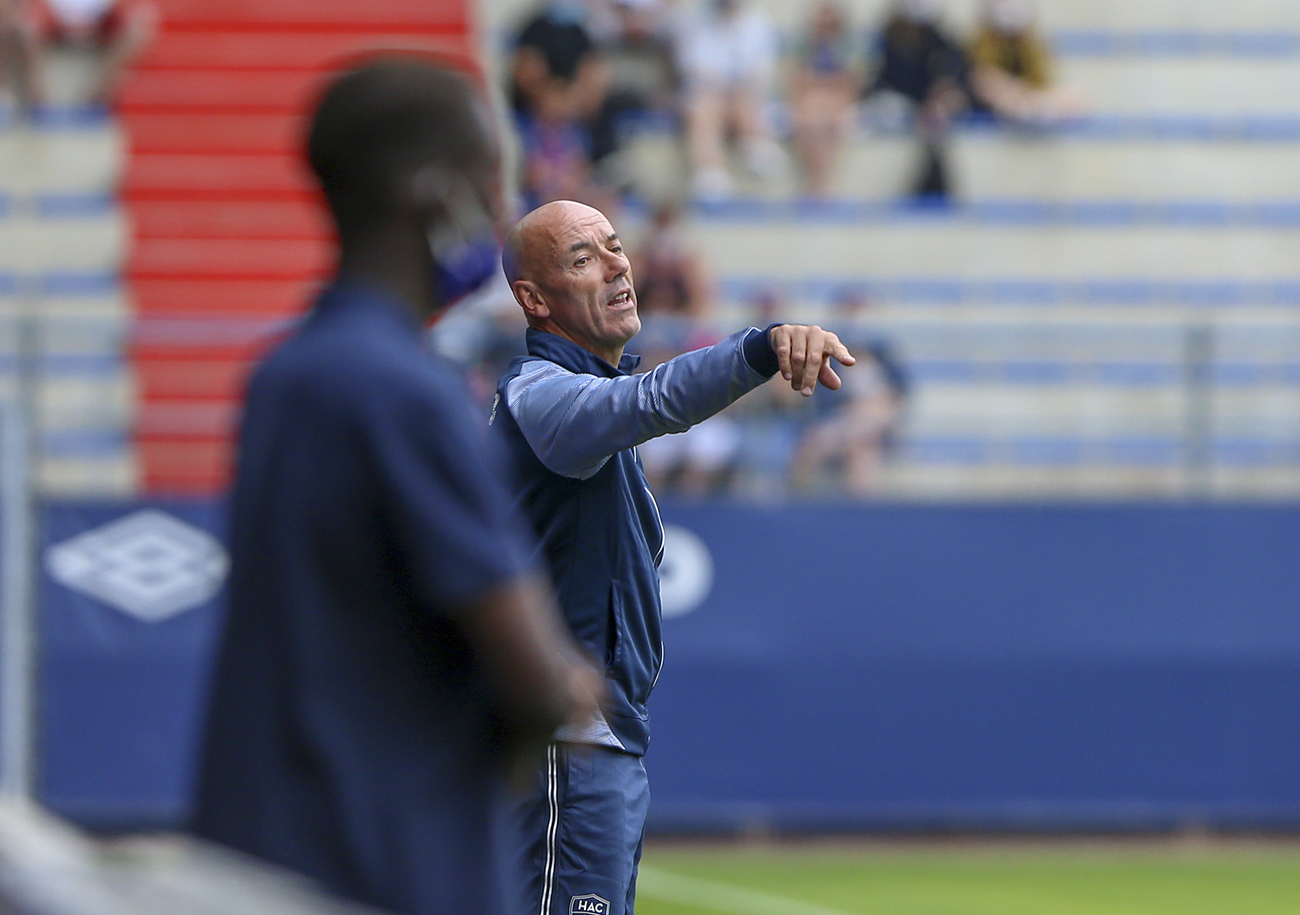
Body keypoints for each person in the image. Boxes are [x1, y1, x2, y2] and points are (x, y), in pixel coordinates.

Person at [191, 59, 604, 915]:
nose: (499, 207)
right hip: (389, 868)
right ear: (431, 190)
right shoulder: (406, 393)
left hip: (256, 860)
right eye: (489, 177)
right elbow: (531, 679)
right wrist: (567, 684)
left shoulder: (284, 376)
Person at [491, 198, 854, 915]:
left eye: (615, 246)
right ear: (534, 299)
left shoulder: (581, 416)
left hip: (600, 747)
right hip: (569, 747)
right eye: (582, 257)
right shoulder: (541, 396)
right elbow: (645, 402)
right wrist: (761, 348)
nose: (618, 263)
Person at [862, 0, 971, 198]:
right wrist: (923, 101)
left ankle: (935, 178)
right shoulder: (889, 37)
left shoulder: (939, 36)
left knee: (943, 111)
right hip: (900, 100)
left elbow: (957, 69)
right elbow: (885, 78)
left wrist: (943, 89)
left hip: (931, 105)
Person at [17, 0, 158, 106]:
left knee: (140, 25)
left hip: (99, 24)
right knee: (24, 27)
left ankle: (96, 97)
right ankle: (38, 99)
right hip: (55, 21)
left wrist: (88, 24)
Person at [967, 0, 1086, 124]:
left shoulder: (1033, 52)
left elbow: (1071, 100)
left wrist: (1035, 102)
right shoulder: (978, 64)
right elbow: (1007, 102)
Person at [789, 1, 861, 198]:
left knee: (827, 120)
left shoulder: (849, 45)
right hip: (811, 103)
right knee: (810, 119)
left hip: (838, 105)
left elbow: (849, 87)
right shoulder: (804, 45)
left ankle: (817, 187)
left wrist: (823, 91)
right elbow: (798, 83)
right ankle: (821, 187)